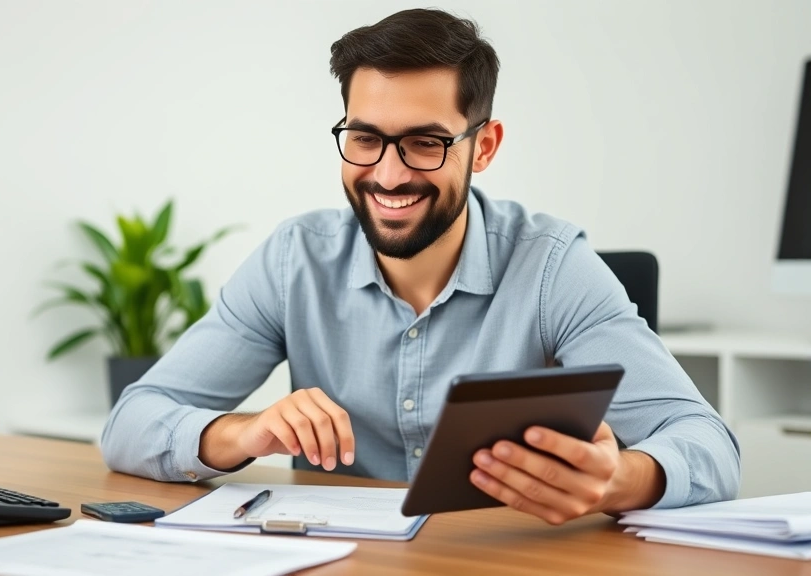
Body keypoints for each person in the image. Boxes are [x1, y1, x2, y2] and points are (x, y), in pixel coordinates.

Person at [100, 8, 740, 525]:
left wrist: (617, 480)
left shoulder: (553, 269)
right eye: (365, 137)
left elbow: (707, 445)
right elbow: (131, 423)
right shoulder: (294, 259)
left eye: (426, 143)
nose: (388, 173)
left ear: (482, 146)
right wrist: (243, 433)